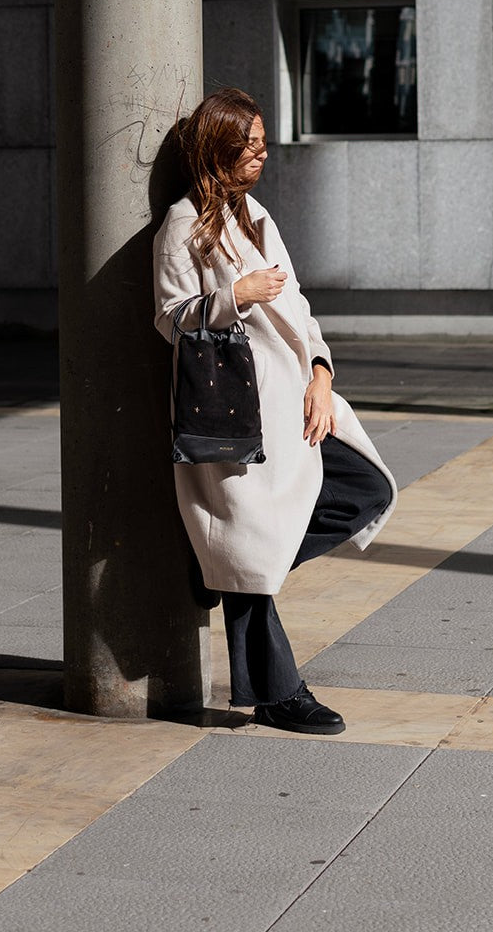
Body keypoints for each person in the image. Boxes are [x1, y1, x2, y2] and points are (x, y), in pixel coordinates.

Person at [153, 87, 396, 734]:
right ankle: (277, 693)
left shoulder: (256, 214)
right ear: (215, 149)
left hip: (296, 400)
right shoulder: (184, 222)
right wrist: (236, 294)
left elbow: (298, 308)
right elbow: (170, 318)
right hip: (235, 409)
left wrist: (321, 372)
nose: (260, 155)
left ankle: (216, 569)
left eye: (263, 143)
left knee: (365, 490)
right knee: (251, 544)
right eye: (247, 145)